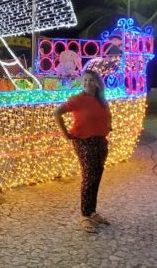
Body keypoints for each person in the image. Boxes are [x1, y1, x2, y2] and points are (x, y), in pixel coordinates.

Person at [54, 70, 112, 233]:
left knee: (97, 175)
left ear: (98, 83)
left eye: (91, 80)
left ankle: (92, 212)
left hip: (100, 141)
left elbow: (107, 116)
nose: (87, 83)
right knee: (89, 176)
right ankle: (84, 215)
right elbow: (57, 112)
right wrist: (65, 133)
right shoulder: (77, 100)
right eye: (85, 80)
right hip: (83, 141)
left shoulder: (102, 101)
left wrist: (108, 127)